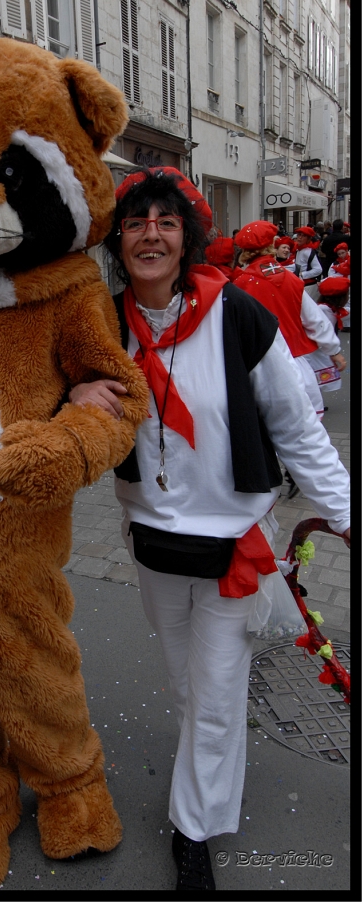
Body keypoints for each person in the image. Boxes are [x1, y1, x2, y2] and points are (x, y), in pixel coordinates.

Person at [68, 167, 350, 893]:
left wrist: (348, 514)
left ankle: (194, 831)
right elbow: (46, 398)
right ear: (119, 241)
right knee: (189, 687)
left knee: (217, 691)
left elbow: (298, 426)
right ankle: (209, 765)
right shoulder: (101, 323)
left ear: (187, 238)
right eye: (136, 223)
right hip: (153, 546)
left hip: (233, 551)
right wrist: (72, 388)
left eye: (165, 222)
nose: (150, 233)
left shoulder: (240, 315)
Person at [232, 222, 346, 423]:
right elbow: (315, 320)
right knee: (304, 430)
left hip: (261, 367)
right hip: (296, 363)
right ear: (271, 246)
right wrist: (333, 350)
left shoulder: (241, 284)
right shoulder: (291, 279)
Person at [286, 226, 323, 291]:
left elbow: (318, 269)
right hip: (300, 283)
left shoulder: (308, 251)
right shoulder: (298, 249)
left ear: (308, 239)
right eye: (299, 235)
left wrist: (302, 274)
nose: (300, 237)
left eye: (304, 236)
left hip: (308, 286)